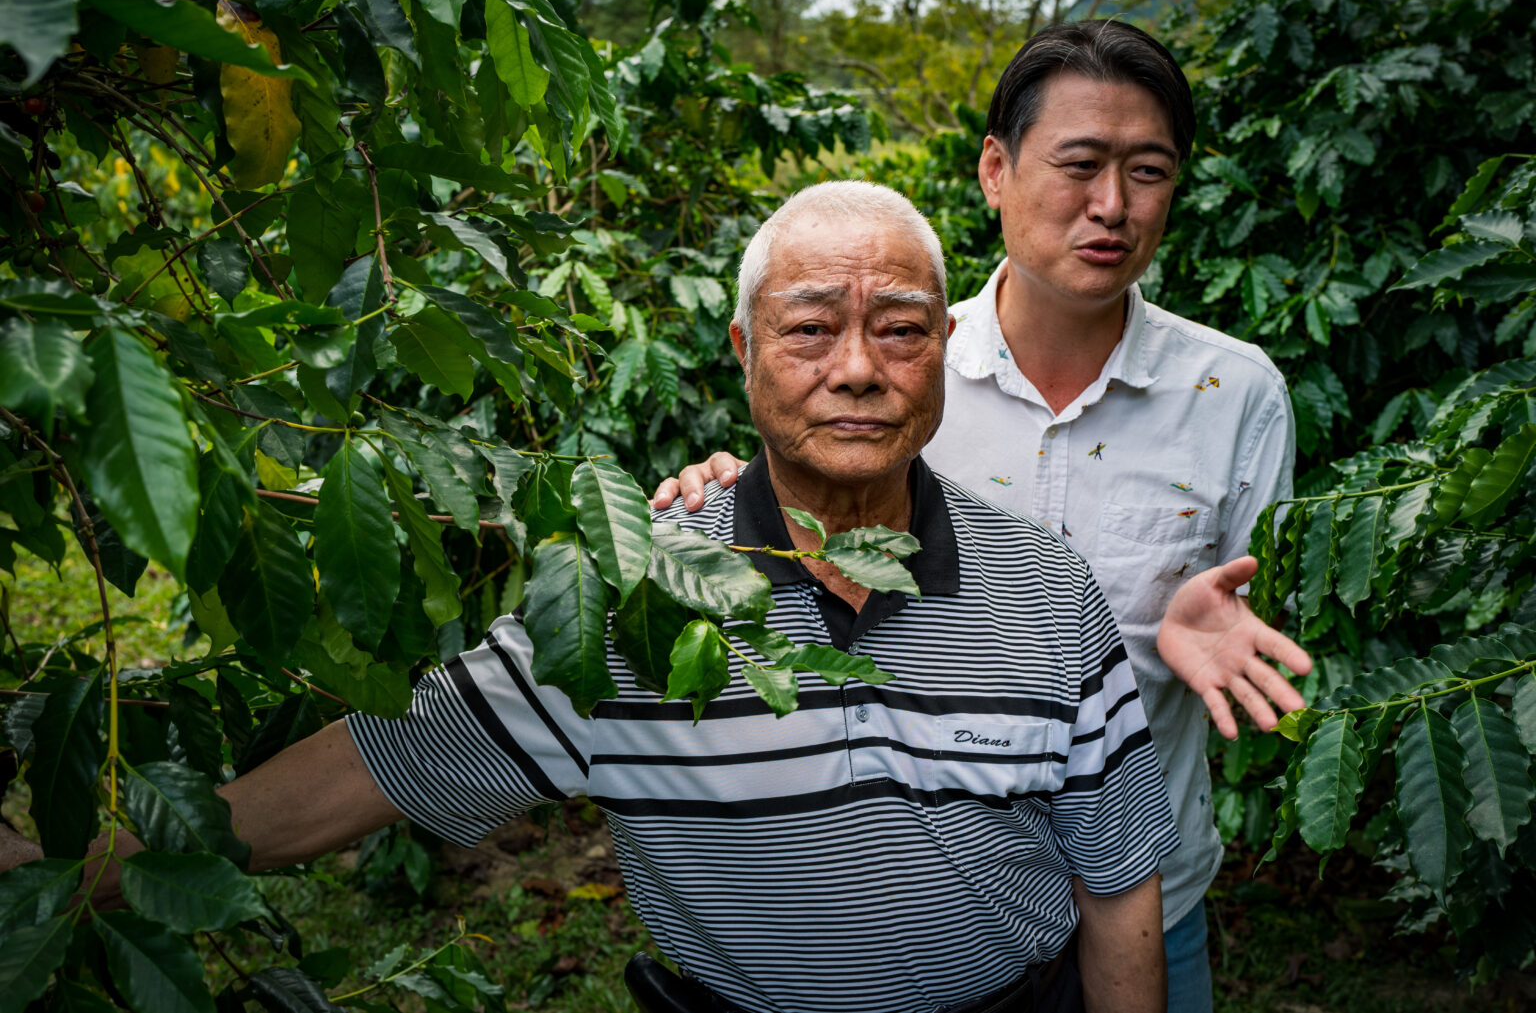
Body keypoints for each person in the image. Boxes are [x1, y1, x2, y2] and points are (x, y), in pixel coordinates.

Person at [1, 182, 1176, 1013]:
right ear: (743, 350)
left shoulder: (1044, 581)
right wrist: (73, 869)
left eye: (901, 330)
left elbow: (1119, 884)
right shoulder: (632, 595)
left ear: (945, 343)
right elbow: (369, 770)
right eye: (811, 329)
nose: (858, 367)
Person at [650, 21, 1313, 1013]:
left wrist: (1177, 642)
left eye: (1149, 171)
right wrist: (716, 492)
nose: (1112, 206)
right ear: (995, 169)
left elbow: (1260, 630)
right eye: (1080, 163)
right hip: (928, 919)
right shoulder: (891, 371)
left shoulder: (1235, 392)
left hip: (1149, 894)